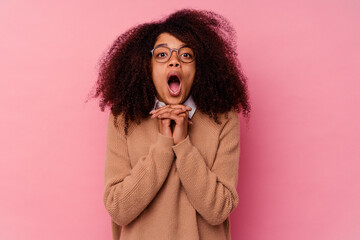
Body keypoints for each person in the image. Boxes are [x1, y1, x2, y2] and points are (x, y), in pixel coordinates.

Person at [92, 9, 250, 240]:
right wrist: (164, 145)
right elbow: (118, 209)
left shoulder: (223, 119)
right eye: (162, 55)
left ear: (200, 67)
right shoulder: (123, 118)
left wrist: (183, 144)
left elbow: (219, 210)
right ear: (147, 66)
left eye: (186, 55)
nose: (174, 61)